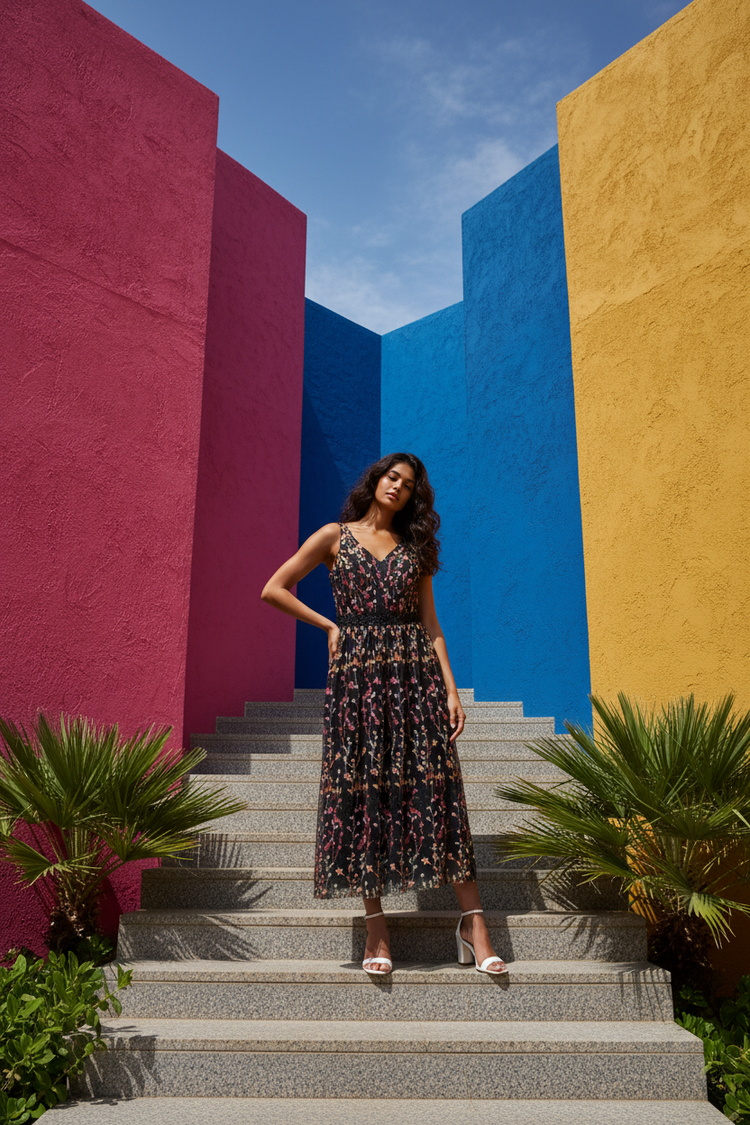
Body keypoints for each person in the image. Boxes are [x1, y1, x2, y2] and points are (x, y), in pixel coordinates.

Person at [262, 452, 507, 976]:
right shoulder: (334, 536)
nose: (397, 486)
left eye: (408, 483)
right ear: (375, 481)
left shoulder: (415, 548)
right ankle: (376, 927)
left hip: (415, 675)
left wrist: (451, 690)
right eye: (391, 477)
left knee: (438, 787)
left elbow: (432, 625)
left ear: (413, 495)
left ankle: (474, 923)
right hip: (357, 678)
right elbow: (274, 588)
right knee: (364, 788)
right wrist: (329, 626)